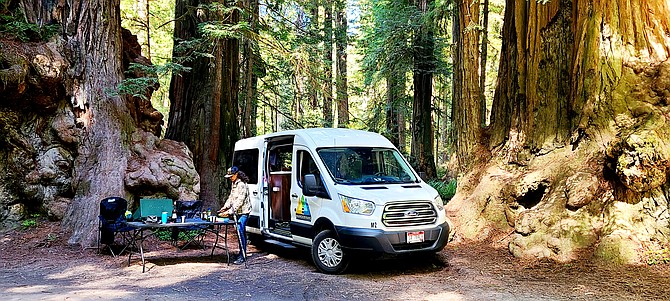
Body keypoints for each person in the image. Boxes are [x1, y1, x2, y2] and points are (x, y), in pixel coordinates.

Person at [218, 166, 252, 265]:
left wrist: (228, 212)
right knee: (239, 233)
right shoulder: (234, 183)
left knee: (240, 232)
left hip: (244, 212)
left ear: (236, 174)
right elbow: (231, 197)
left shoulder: (241, 184)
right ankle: (241, 252)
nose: (230, 178)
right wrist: (225, 207)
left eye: (231, 176)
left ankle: (243, 256)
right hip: (237, 212)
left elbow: (239, 201)